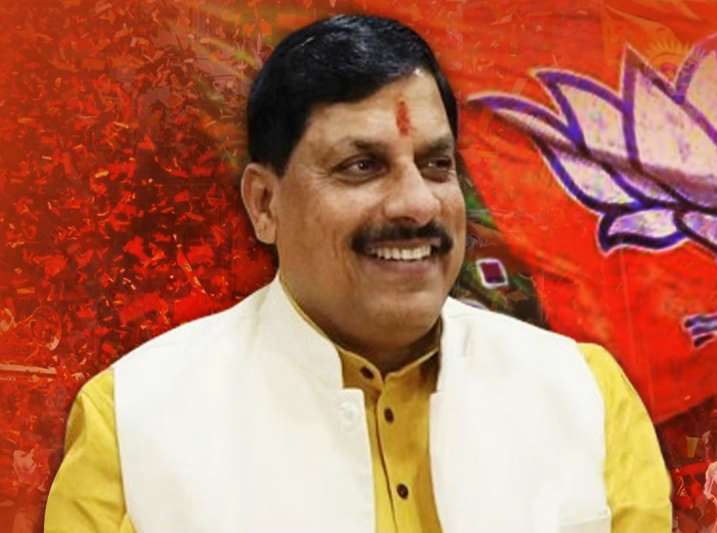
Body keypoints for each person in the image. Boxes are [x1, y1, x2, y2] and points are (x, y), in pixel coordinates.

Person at [44, 14, 671, 533]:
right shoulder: (134, 425)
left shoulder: (584, 397)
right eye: (361, 166)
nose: (418, 204)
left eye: (436, 165)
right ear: (264, 204)